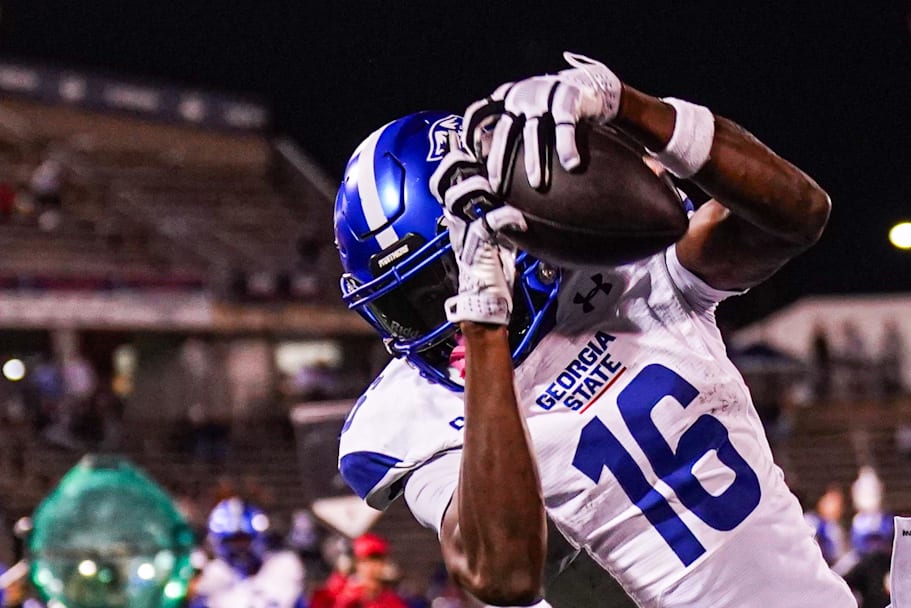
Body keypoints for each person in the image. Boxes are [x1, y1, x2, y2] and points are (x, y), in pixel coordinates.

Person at [336, 53, 854, 607]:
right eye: (410, 306)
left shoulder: (621, 276)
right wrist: (483, 316)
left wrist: (631, 108)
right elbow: (504, 574)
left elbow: (799, 213)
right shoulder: (407, 419)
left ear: (517, 230)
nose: (442, 318)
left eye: (446, 280)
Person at [189, 497, 305, 608]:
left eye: (245, 541)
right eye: (233, 541)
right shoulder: (210, 575)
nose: (240, 549)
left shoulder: (282, 567)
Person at [310, 533, 408, 608]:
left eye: (377, 560)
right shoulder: (332, 594)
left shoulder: (391, 600)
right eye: (364, 561)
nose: (372, 567)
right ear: (355, 564)